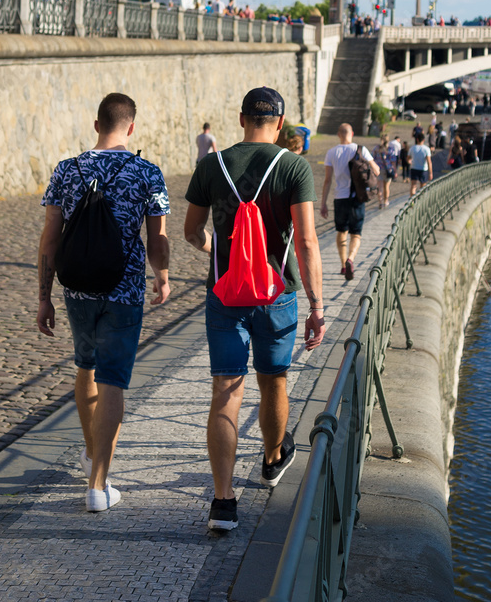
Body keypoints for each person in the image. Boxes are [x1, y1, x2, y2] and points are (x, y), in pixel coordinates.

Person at [184, 87, 326, 532]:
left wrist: (217, 250)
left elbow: (191, 231)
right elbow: (305, 242)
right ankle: (271, 457)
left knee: (226, 390)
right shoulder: (294, 166)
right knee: (273, 382)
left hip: (225, 295)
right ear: (280, 123)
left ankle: (223, 503)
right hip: (276, 295)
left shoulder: (211, 165)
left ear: (241, 117)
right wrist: (318, 304)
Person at [36, 93, 171, 512]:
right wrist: (162, 277)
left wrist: (44, 297)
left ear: (97, 124)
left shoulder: (67, 170)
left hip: (75, 288)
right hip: (125, 291)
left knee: (86, 366)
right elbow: (158, 237)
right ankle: (98, 485)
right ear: (130, 128)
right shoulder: (147, 172)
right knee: (112, 380)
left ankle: (93, 452)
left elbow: (50, 239)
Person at [320, 123, 380, 280]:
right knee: (356, 234)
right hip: (357, 198)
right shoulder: (361, 149)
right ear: (351, 133)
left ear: (339, 134)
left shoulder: (331, 152)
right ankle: (350, 259)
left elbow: (327, 181)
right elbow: (376, 170)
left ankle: (342, 264)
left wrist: (323, 203)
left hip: (340, 198)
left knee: (341, 231)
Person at [372, 133, 398, 208]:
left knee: (379, 187)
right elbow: (393, 162)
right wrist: (395, 171)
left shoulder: (376, 148)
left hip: (378, 169)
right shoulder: (390, 149)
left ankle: (380, 202)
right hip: (388, 170)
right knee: (386, 187)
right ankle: (386, 201)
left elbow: (372, 158)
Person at [408, 129, 433, 196]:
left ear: (417, 139)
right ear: (424, 140)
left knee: (413, 185)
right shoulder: (426, 149)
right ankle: (421, 200)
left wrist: (410, 161)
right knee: (422, 186)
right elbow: (429, 162)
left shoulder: (412, 148)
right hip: (423, 169)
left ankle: (412, 201)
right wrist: (430, 173)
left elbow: (408, 159)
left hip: (414, 168)